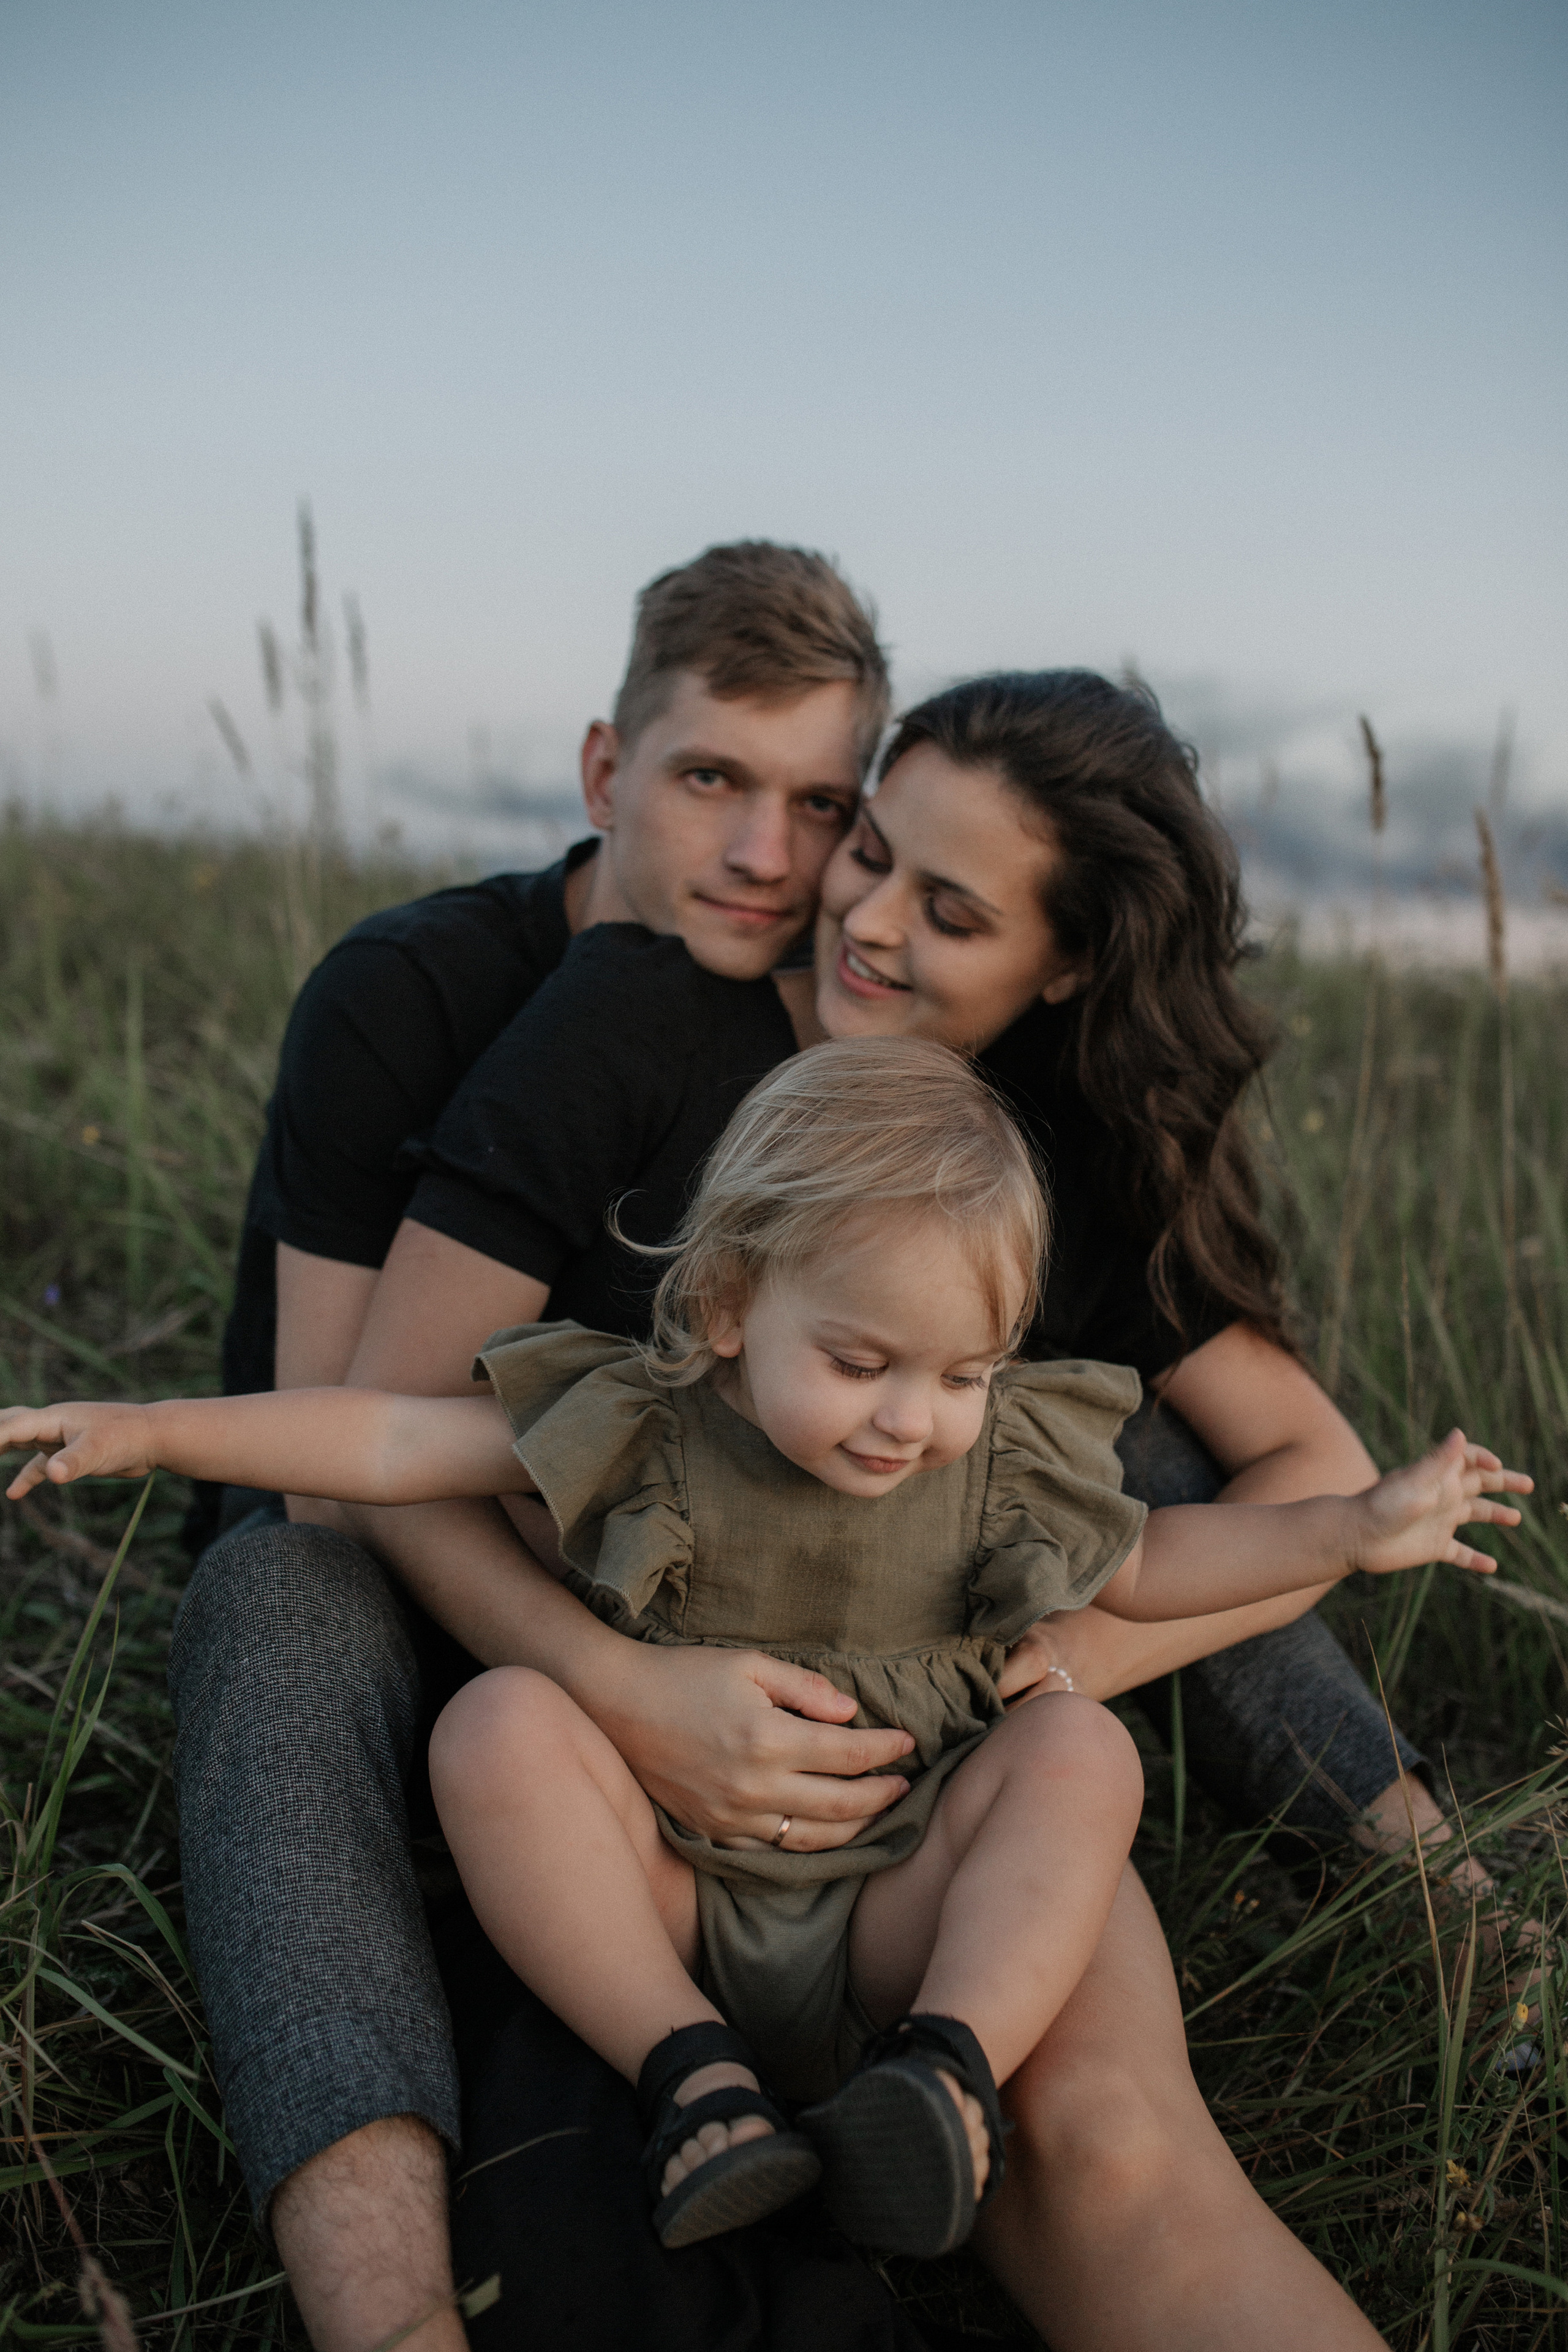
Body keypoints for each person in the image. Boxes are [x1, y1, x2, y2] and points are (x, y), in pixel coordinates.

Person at [171, 626, 1454, 2351]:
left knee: (1123, 1496)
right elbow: (388, 1443)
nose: (856, 914)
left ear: (1065, 969)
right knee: (277, 1584)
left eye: (952, 909)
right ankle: (394, 2309)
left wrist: (1043, 1676)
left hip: (919, 1779)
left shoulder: (1047, 1160)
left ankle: (1436, 1885)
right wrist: (621, 1690)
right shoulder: (645, 1015)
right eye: (876, 851)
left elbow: (1295, 1476)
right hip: (589, 1708)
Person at [2, 1046, 1527, 2342]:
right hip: (667, 1890)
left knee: (1075, 1749)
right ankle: (691, 2071)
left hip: (889, 1907)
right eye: (863, 1361)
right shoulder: (645, 1421)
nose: (910, 1420)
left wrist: (1347, 1528)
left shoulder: (995, 1460)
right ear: (730, 1302)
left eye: (959, 1371)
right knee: (504, 1727)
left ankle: (942, 2074)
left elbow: (1147, 1564)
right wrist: (153, 1428)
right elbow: (396, 1447)